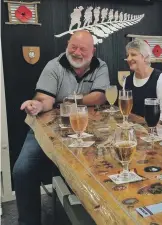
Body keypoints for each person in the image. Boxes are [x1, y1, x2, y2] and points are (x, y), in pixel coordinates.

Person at [14, 30, 110, 225]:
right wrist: (37, 105)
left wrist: (66, 99)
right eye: (73, 47)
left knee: (93, 170)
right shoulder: (54, 66)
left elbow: (99, 97)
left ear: (93, 51)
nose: (77, 52)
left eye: (83, 49)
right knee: (22, 171)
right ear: (67, 44)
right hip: (46, 130)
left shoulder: (101, 66)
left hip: (85, 130)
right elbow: (45, 99)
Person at [123, 39, 162, 127]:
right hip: (134, 132)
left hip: (156, 133)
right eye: (127, 55)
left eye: (133, 54)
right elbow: (127, 111)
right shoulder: (127, 81)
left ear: (145, 57)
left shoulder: (160, 79)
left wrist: (151, 130)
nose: (128, 59)